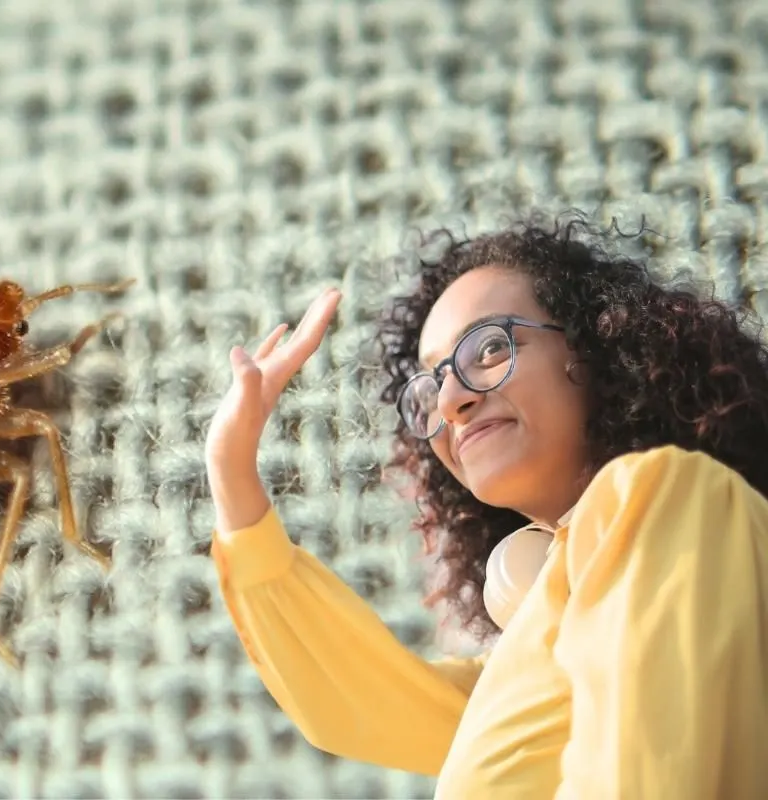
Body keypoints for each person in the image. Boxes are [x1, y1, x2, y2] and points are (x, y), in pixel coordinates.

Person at [204, 213, 768, 797]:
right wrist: (230, 472)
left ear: (595, 346)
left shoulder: (669, 493)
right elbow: (355, 701)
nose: (449, 401)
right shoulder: (537, 652)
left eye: (490, 348)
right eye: (430, 385)